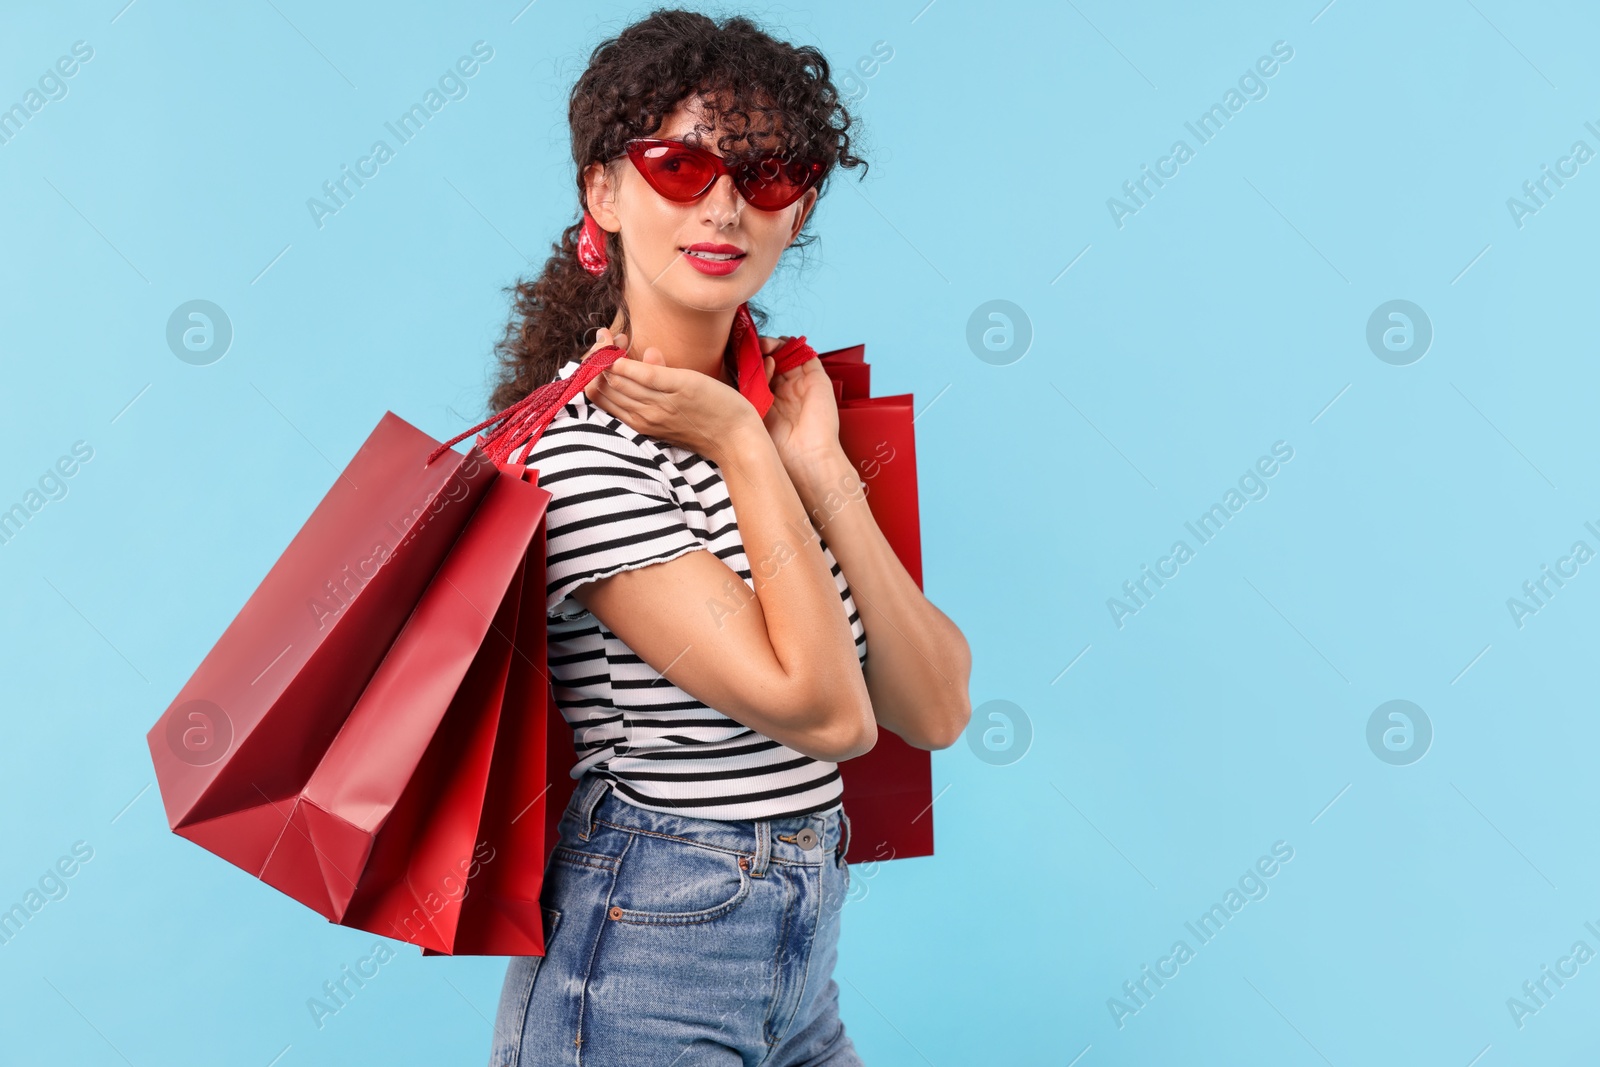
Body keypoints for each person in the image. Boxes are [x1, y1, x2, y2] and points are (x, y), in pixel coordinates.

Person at [485, 11, 972, 1065]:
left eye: (766, 173)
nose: (722, 204)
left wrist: (825, 475)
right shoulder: (581, 460)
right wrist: (748, 451)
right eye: (677, 164)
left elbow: (934, 706)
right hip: (641, 954)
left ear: (797, 207)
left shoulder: (787, 417)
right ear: (602, 192)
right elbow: (831, 716)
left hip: (798, 954)